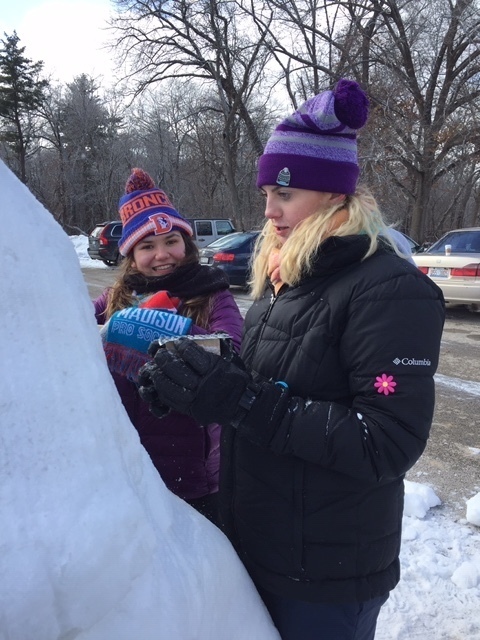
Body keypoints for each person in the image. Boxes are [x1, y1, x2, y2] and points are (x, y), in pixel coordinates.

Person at [137, 80, 445, 639]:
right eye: (265, 193)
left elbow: (385, 440)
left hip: (325, 573)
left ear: (333, 194)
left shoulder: (389, 289)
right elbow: (270, 382)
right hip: (264, 545)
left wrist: (241, 400)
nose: (269, 211)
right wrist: (195, 379)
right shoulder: (289, 279)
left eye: (284, 193)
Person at [93, 168, 243, 525]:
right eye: (147, 246)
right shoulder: (115, 298)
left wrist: (157, 327)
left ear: (186, 244)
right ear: (131, 255)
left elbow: (231, 352)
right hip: (129, 462)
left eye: (171, 241)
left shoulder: (213, 293)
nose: (162, 255)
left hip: (194, 468)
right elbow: (66, 329)